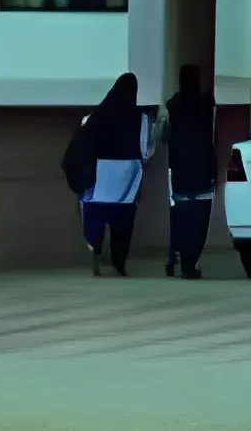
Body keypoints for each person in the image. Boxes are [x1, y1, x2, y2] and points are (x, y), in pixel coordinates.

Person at [63, 73, 146, 275]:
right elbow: (146, 149)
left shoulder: (95, 116)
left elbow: (82, 144)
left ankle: (95, 251)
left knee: (94, 215)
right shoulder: (140, 118)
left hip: (99, 176)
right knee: (123, 222)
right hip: (128, 176)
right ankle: (119, 262)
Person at [159, 66, 222, 279]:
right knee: (199, 218)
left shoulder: (173, 105)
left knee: (179, 217)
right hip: (202, 168)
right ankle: (190, 262)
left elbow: (164, 137)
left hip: (179, 168)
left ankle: (176, 259)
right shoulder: (205, 105)